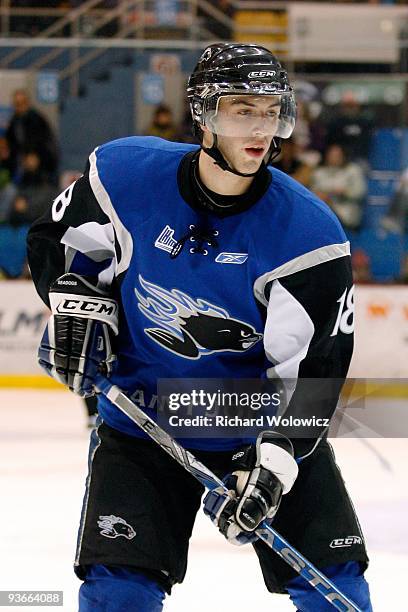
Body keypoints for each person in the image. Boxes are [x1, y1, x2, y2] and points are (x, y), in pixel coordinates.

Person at [27, 43, 372, 611]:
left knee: (337, 589)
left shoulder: (308, 235)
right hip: (144, 419)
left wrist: (273, 468)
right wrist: (75, 301)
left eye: (270, 110)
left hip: (255, 424)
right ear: (204, 115)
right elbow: (58, 244)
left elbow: (316, 371)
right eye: (242, 109)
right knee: (118, 593)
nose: (261, 128)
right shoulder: (123, 174)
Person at [5, 89, 59, 184]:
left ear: (27, 103)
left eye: (23, 103)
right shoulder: (14, 122)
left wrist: (37, 156)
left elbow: (44, 141)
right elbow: (11, 143)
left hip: (42, 164)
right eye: (17, 104)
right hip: (21, 165)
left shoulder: (37, 119)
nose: (20, 106)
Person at [311, 143, 367, 232]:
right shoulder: (319, 172)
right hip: (324, 209)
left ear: (344, 156)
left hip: (346, 212)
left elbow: (360, 192)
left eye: (337, 155)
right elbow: (312, 193)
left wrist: (344, 192)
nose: (333, 158)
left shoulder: (353, 170)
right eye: (331, 155)